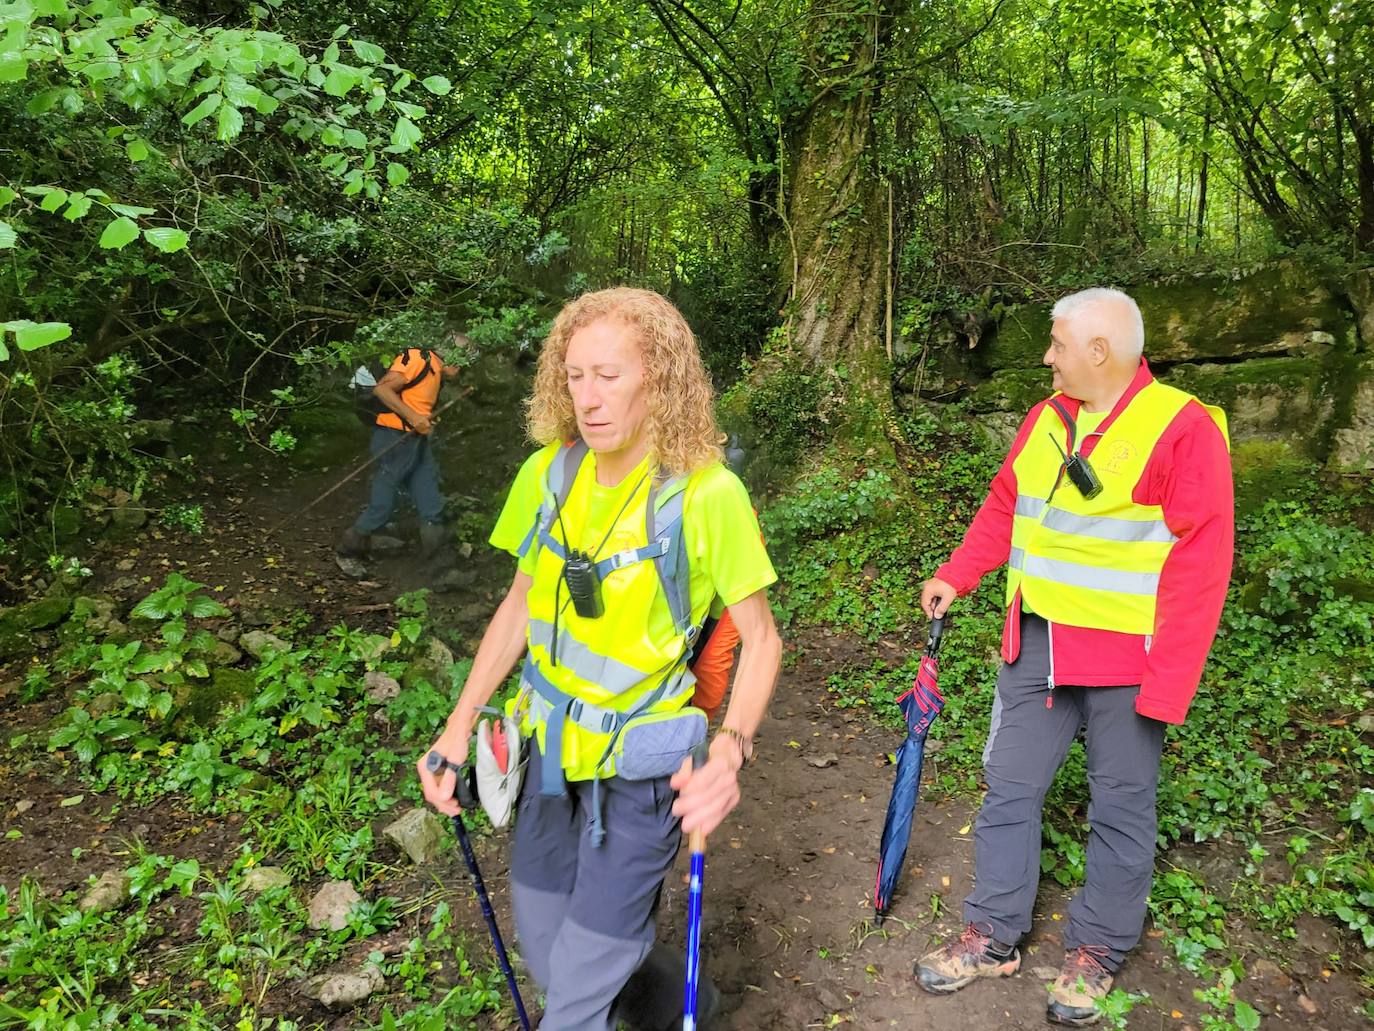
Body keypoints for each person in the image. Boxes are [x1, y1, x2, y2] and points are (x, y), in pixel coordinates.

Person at [417, 288, 782, 1030]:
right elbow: (518, 605)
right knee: (552, 957)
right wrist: (458, 727)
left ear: (661, 377)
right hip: (547, 755)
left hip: (642, 771)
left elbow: (764, 639)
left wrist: (729, 752)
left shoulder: (708, 496)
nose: (588, 397)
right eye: (575, 374)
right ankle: (658, 997)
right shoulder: (549, 476)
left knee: (574, 1005)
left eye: (609, 375)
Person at [913, 288, 1233, 1026]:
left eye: (1058, 343)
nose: (1047, 355)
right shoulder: (1046, 420)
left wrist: (1170, 683)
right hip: (1037, 646)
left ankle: (1096, 950)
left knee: (1121, 809)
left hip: (1130, 662)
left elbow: (1203, 560)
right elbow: (1005, 504)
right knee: (1008, 789)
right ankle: (992, 935)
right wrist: (957, 573)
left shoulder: (1181, 427)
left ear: (1100, 351)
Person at [335, 339, 463, 577]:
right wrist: (415, 418)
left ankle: (440, 569)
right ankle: (348, 551)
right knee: (384, 502)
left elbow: (415, 405)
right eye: (462, 361)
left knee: (431, 502)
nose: (462, 369)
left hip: (415, 442)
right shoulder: (418, 358)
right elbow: (382, 389)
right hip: (393, 439)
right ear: (452, 355)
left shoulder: (435, 374)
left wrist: (423, 420)